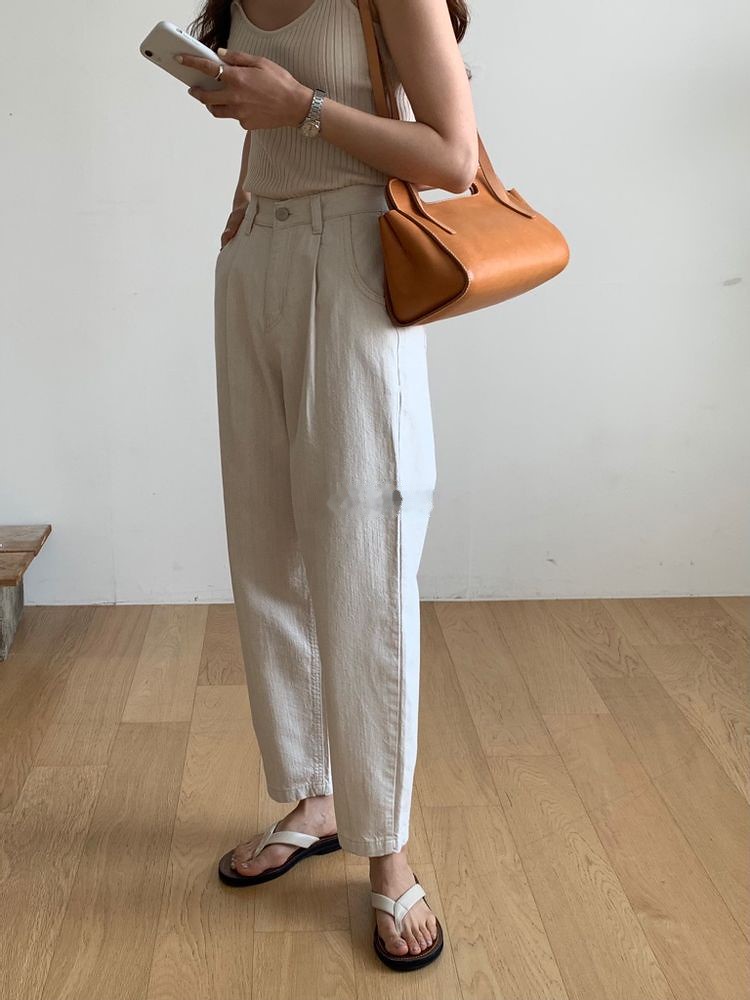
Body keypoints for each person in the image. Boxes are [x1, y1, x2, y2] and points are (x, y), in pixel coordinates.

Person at [179, 0, 476, 972]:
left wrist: (301, 108)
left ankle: (387, 850)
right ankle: (316, 798)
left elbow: (454, 158)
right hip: (255, 258)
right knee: (268, 548)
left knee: (362, 558)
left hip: (352, 257)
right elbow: (266, 117)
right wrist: (247, 170)